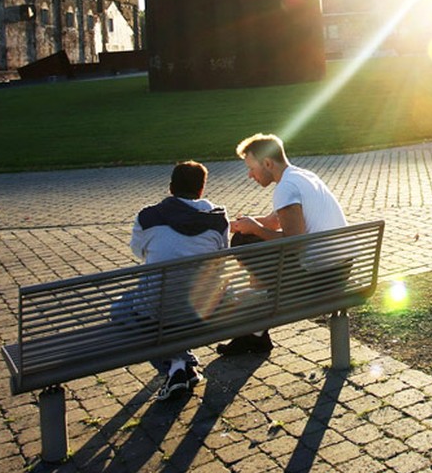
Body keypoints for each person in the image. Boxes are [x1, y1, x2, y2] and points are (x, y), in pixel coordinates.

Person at [217, 132, 349, 356]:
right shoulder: (302, 176)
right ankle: (255, 333)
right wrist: (237, 224)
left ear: (267, 163)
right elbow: (272, 222)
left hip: (321, 279)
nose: (250, 175)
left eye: (251, 168)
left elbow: (294, 242)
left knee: (243, 242)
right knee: (247, 237)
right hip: (341, 269)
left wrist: (254, 230)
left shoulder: (285, 188)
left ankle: (253, 329)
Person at [130, 161, 230, 400]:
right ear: (201, 190)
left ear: (171, 187)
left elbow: (138, 252)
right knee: (182, 297)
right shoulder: (218, 219)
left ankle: (175, 366)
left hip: (160, 309)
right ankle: (185, 364)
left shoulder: (147, 217)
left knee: (123, 311)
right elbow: (221, 259)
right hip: (204, 309)